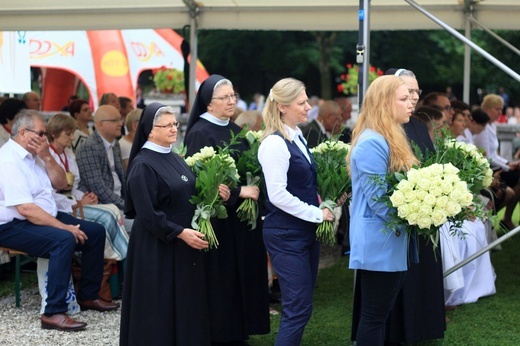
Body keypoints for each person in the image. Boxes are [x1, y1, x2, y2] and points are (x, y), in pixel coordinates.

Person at [0, 110, 118, 332]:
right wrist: (65, 227)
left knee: (96, 231)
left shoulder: (35, 155)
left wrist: (46, 156)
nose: (45, 138)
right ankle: (53, 312)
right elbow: (25, 209)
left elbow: (61, 183)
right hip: (11, 225)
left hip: (43, 215)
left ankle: (88, 296)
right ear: (24, 133)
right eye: (42, 133)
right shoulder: (8, 160)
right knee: (63, 239)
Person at [120, 103, 224, 345]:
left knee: (185, 302)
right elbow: (147, 214)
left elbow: (185, 190)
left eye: (174, 124)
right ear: (149, 131)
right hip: (158, 247)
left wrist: (210, 188)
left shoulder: (173, 156)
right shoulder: (143, 165)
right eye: (165, 125)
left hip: (182, 242)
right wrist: (179, 232)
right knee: (161, 305)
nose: (173, 129)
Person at [184, 74, 270, 344]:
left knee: (242, 275)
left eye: (233, 95)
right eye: (225, 97)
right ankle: (222, 332)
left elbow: (246, 169)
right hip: (219, 221)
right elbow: (202, 182)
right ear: (208, 104)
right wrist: (237, 192)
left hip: (242, 219)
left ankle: (240, 329)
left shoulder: (235, 130)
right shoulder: (200, 131)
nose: (232, 101)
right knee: (222, 280)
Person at [258, 77, 336, 346]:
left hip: (302, 232)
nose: (307, 107)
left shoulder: (297, 135)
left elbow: (303, 182)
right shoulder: (274, 144)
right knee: (297, 308)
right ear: (282, 106)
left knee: (302, 306)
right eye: (301, 103)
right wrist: (317, 214)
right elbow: (277, 194)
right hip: (286, 234)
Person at [348, 75, 419, 346]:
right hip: (379, 242)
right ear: (384, 103)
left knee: (379, 315)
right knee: (375, 317)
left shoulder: (388, 136)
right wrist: (416, 215)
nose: (411, 103)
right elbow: (379, 200)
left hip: (388, 240)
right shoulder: (372, 142)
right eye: (403, 99)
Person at [382, 68, 446, 345]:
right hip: (394, 221)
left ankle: (421, 327)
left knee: (422, 276)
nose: (414, 97)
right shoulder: (381, 129)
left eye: (417, 92)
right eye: (407, 92)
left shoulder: (418, 127)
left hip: (423, 217)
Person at [46, 113, 129, 261]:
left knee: (112, 209)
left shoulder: (68, 154)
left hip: (71, 202)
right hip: (56, 208)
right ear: (54, 133)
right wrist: (77, 202)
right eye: (68, 134)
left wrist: (84, 197)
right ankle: (118, 258)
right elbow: (47, 194)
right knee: (107, 215)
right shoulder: (46, 156)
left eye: (72, 133)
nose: (72, 138)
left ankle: (118, 258)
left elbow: (74, 186)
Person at [474, 94, 520, 230]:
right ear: (486, 109)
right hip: (488, 169)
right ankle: (500, 218)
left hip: (495, 166)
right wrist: (507, 167)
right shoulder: (483, 128)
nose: (500, 113)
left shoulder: (492, 126)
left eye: (501, 110)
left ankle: (506, 218)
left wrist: (508, 163)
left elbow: (494, 154)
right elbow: (488, 157)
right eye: (497, 109)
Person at [76, 105, 125, 210]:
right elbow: (97, 188)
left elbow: (122, 178)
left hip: (118, 201)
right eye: (115, 120)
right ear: (101, 125)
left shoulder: (115, 144)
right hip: (104, 205)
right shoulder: (89, 147)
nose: (121, 124)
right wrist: (126, 206)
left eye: (120, 119)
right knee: (142, 222)